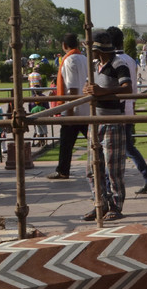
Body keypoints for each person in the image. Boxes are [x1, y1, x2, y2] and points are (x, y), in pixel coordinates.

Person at [82, 32, 131, 221]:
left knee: (113, 166)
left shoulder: (118, 64)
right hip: (95, 121)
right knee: (93, 168)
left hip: (112, 121)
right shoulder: (95, 65)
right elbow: (91, 86)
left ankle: (115, 205)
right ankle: (99, 202)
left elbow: (127, 87)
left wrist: (103, 92)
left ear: (98, 50)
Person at [109, 26, 147, 194]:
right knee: (127, 147)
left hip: (118, 110)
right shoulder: (130, 59)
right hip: (128, 107)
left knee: (120, 149)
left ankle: (144, 177)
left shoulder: (113, 61)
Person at [47, 33, 88, 180]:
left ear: (64, 46)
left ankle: (63, 170)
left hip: (74, 109)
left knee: (66, 143)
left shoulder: (69, 60)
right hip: (86, 108)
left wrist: (69, 112)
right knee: (93, 141)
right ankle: (100, 166)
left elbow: (72, 88)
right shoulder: (84, 58)